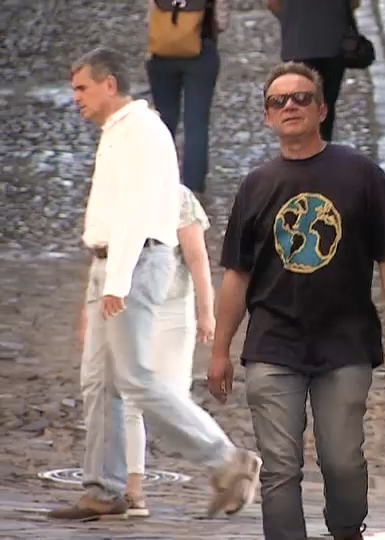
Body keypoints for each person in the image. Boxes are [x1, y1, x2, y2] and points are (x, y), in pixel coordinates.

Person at [207, 61, 385, 540]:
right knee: (280, 470)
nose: (290, 106)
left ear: (322, 109)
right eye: (279, 101)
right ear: (267, 117)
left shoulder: (360, 174)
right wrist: (220, 350)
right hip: (272, 345)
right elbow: (236, 275)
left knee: (342, 460)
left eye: (301, 98)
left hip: (345, 344)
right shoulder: (256, 186)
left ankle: (347, 530)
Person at [49, 46, 260, 522]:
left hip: (136, 263)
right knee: (99, 381)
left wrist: (116, 282)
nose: (76, 97)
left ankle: (228, 460)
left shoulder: (141, 132)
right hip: (114, 263)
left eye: (82, 87)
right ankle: (104, 489)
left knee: (137, 378)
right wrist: (101, 276)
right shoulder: (117, 133)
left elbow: (137, 212)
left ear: (109, 84)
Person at [122, 184, 217, 517]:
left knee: (174, 401)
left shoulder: (177, 196)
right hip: (126, 306)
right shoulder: (118, 191)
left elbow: (196, 256)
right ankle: (133, 492)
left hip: (172, 307)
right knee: (128, 399)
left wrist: (207, 311)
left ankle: (228, 466)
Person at [145, 0, 228, 195]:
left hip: (162, 52)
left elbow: (149, 17)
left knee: (164, 120)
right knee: (196, 123)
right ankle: (193, 188)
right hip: (200, 50)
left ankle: (160, 180)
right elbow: (222, 21)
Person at [266, 0, 358, 141]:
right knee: (327, 101)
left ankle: (305, 144)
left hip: (298, 43)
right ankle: (323, 143)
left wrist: (291, 18)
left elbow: (273, 3)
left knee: (301, 100)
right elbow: (354, 3)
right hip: (333, 41)